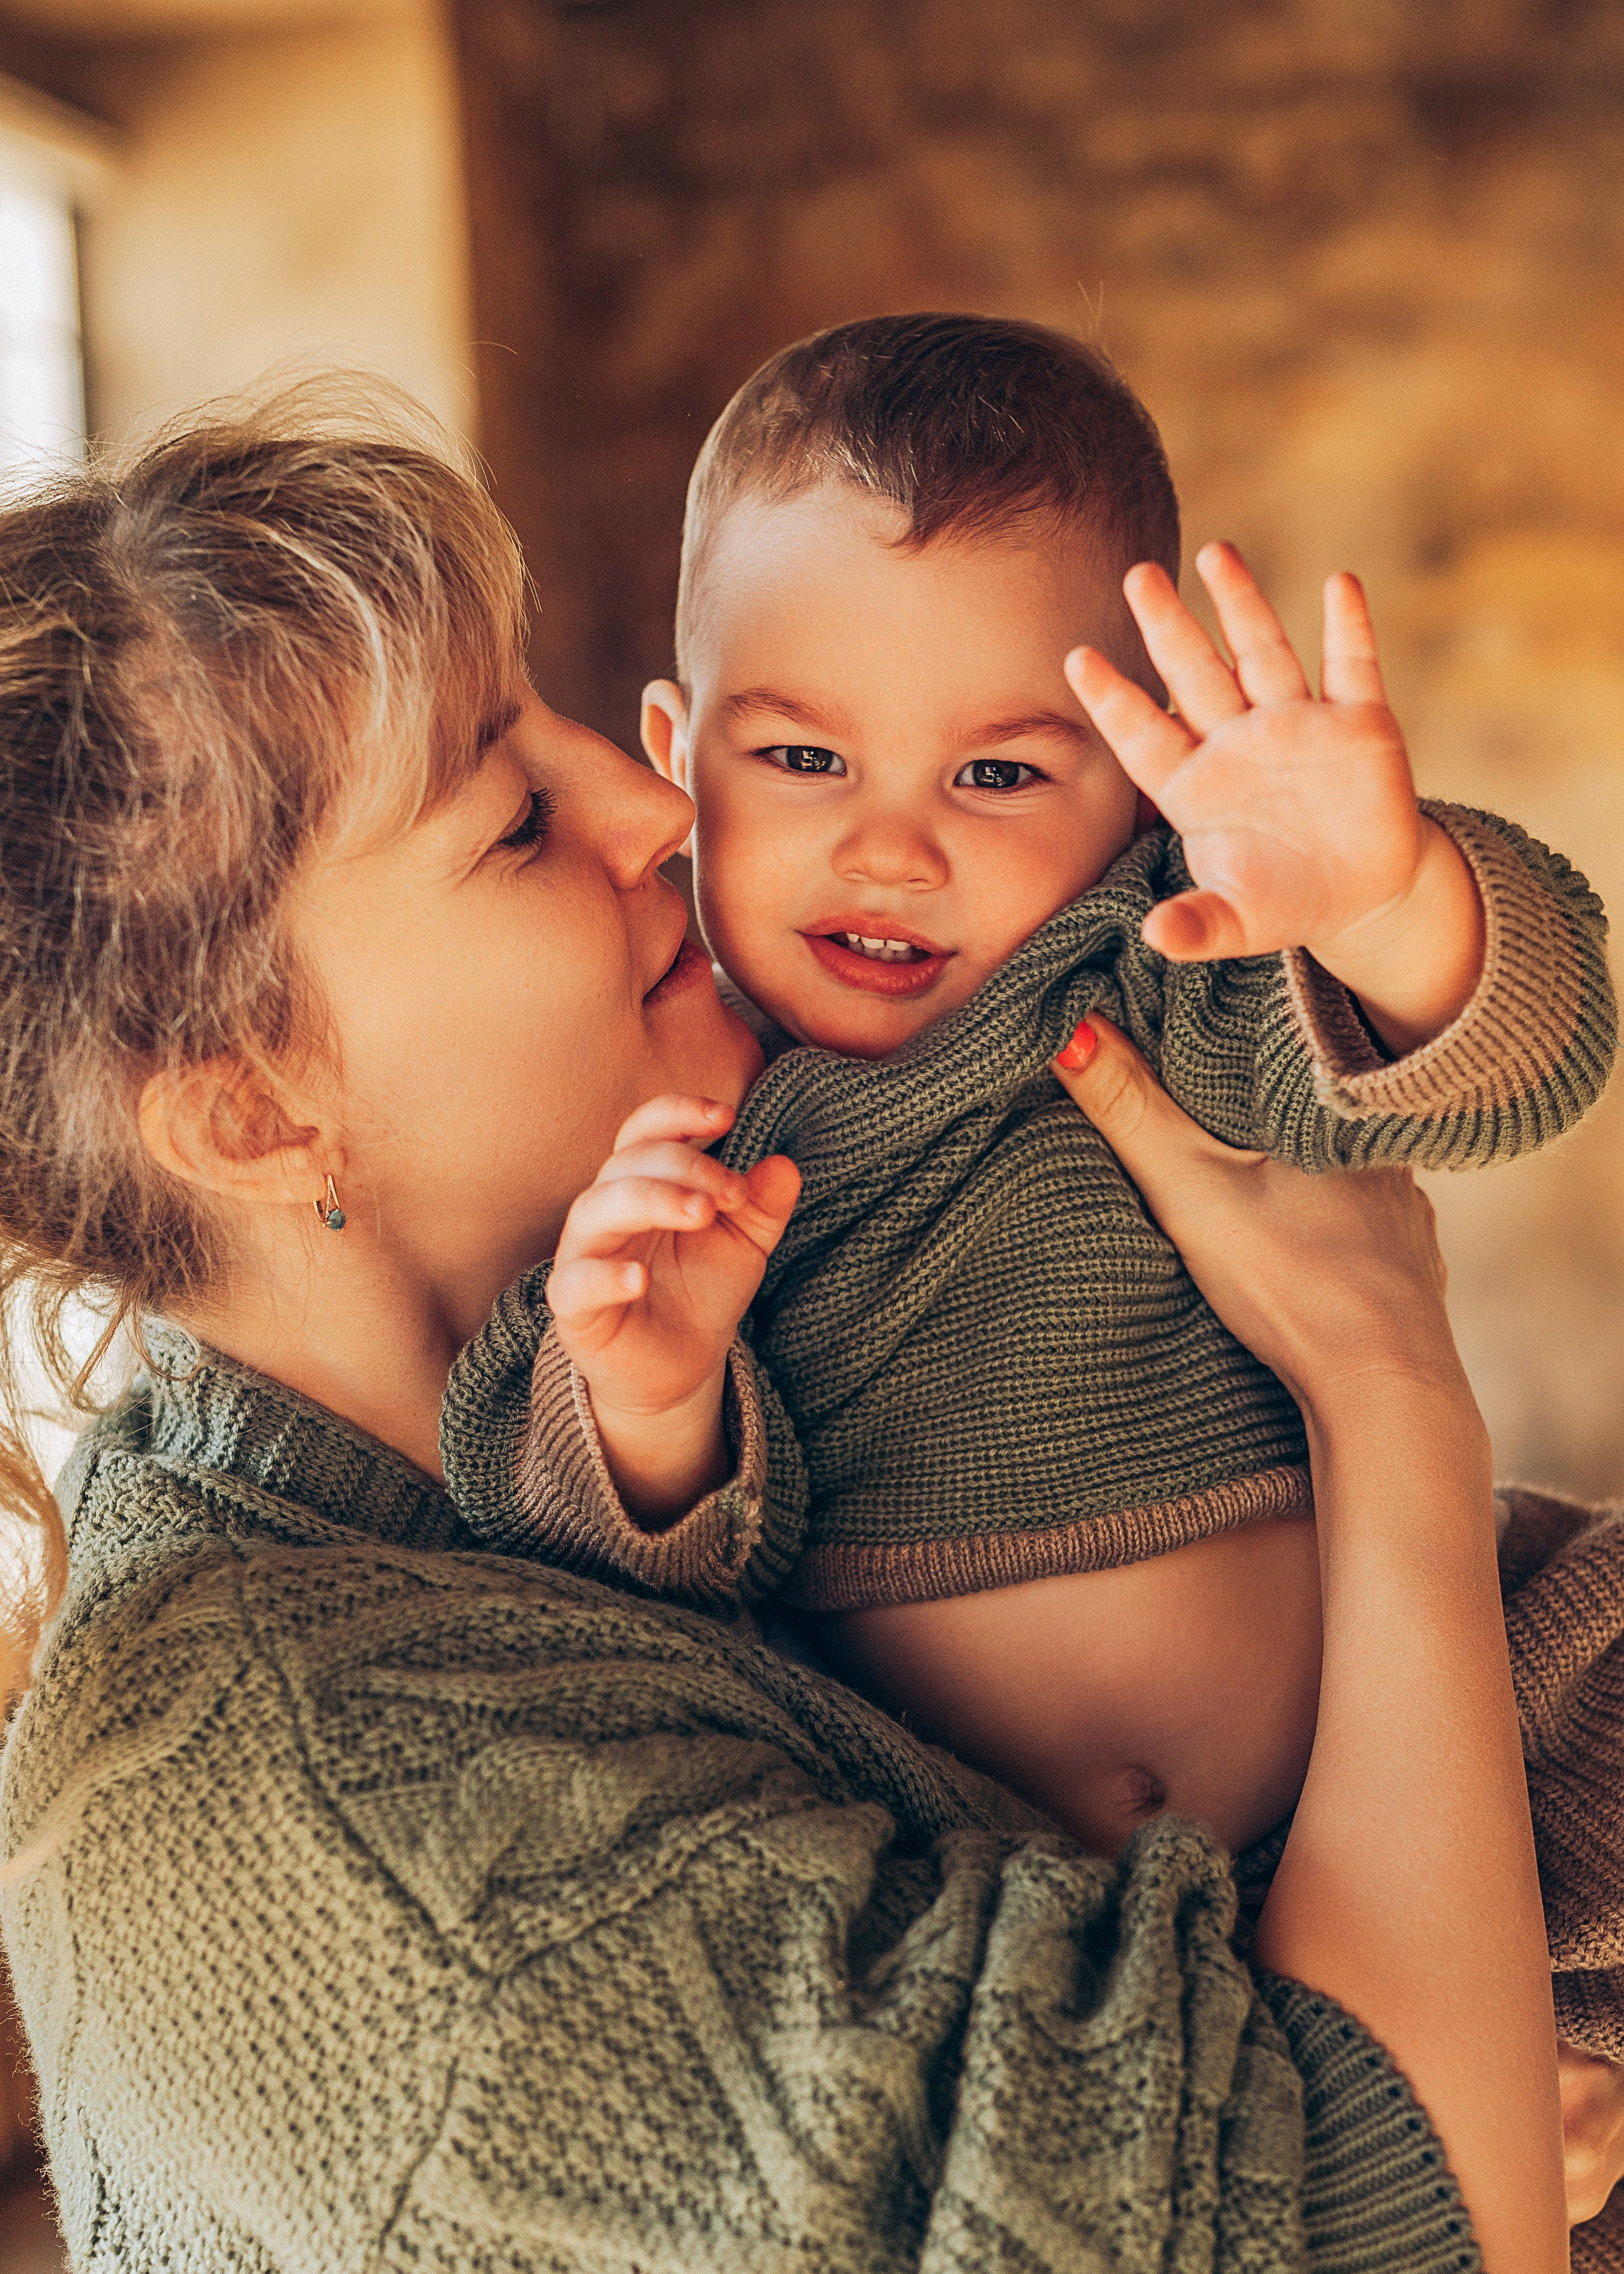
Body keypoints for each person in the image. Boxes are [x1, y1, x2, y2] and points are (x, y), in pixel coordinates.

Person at [0, 388, 1585, 2272]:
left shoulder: (768, 1204)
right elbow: (1391, 2215)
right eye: (513, 823)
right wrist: (1388, 1390)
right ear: (255, 1114)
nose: (653, 803)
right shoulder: (323, 1821)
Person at [492, 313, 1614, 1872]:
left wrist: (1384, 901)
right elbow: (579, 1553)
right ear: (680, 758)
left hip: (1461, 1774)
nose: (892, 850)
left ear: (1139, 787)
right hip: (1049, 1919)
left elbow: (1506, 1071)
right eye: (803, 762)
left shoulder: (1144, 970)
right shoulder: (671, 1127)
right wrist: (650, 1396)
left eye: (999, 775)